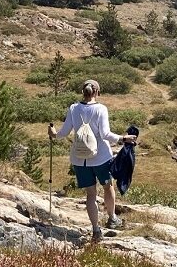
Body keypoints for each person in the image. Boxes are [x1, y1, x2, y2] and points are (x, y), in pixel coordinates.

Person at [49, 79, 136, 242]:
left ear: (84, 92)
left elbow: (63, 133)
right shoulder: (101, 109)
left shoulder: (73, 108)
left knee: (90, 195)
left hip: (79, 159)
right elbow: (105, 134)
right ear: (97, 92)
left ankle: (96, 230)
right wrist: (123, 138)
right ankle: (112, 219)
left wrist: (53, 134)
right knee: (107, 187)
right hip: (101, 158)